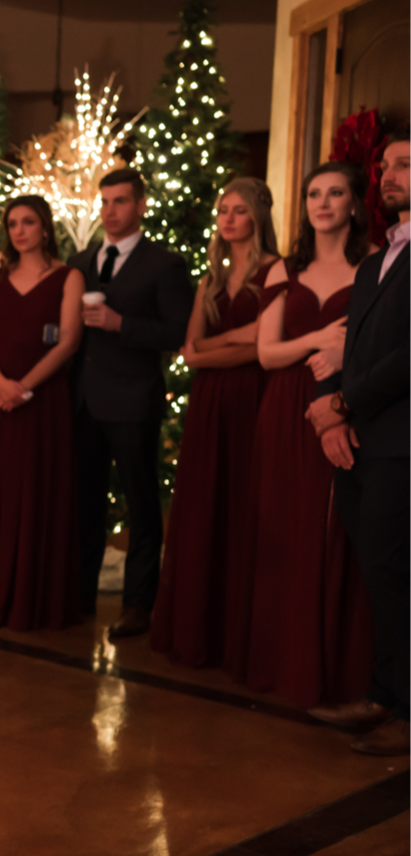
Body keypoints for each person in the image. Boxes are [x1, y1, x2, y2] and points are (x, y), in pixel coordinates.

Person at [242, 162, 374, 707]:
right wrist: (318, 339)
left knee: (334, 530)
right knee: (283, 527)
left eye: (335, 193)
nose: (322, 203)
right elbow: (267, 353)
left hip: (345, 407)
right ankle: (282, 662)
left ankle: (334, 670)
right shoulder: (285, 269)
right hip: (284, 408)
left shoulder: (374, 265)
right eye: (314, 194)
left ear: (354, 204)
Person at [306, 132, 410, 755]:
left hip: (403, 441)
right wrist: (333, 414)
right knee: (377, 569)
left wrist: (347, 403)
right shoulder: (376, 261)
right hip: (361, 441)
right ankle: (382, 694)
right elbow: (351, 347)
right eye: (386, 164)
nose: (388, 174)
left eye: (405, 165)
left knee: (396, 571)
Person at [150, 179, 277, 668]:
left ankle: (240, 632)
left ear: (257, 217)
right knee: (206, 500)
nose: (228, 219)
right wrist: (228, 344)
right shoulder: (210, 277)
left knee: (245, 500)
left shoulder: (275, 270)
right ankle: (200, 627)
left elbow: (264, 347)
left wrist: (213, 348)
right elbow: (189, 350)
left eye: (239, 210)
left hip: (253, 395)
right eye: (223, 210)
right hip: (209, 402)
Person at [0, 196, 84, 629]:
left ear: (45, 228)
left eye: (28, 222)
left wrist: (24, 387)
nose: (20, 231)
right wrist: (2, 384)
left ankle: (32, 600)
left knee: (39, 492)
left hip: (45, 401)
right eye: (12, 224)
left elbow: (69, 340)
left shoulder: (69, 277)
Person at [67, 169, 192, 638]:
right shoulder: (79, 262)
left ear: (140, 205)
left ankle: (139, 603)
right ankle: (80, 592)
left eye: (120, 201)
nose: (110, 211)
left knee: (141, 503)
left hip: (133, 399)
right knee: (84, 501)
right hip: (83, 398)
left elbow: (178, 332)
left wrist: (121, 323)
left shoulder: (164, 264)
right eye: (104, 202)